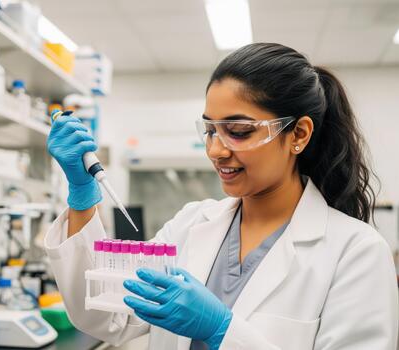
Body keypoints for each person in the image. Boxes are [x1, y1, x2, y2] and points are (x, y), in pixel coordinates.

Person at [44, 43, 398, 350]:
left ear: (299, 135)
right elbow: (105, 317)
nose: (216, 150)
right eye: (210, 131)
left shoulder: (355, 253)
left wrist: (223, 332)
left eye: (239, 132)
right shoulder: (191, 224)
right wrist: (81, 195)